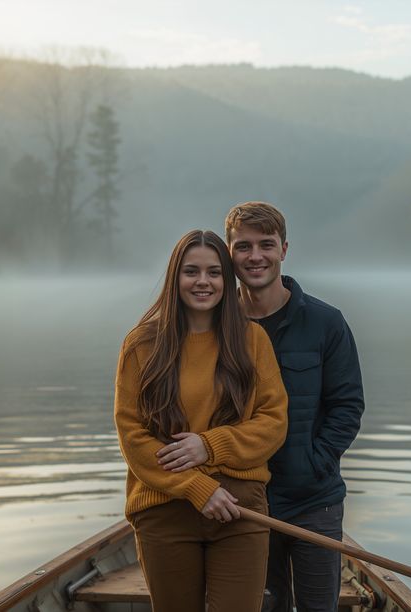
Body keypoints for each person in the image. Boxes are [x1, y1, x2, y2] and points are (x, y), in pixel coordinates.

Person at [113, 229, 288, 611]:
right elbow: (132, 434)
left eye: (214, 272)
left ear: (227, 279)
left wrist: (209, 446)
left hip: (239, 508)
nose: (203, 282)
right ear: (176, 277)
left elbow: (273, 421)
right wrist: (196, 487)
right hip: (164, 508)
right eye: (192, 271)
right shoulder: (142, 344)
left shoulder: (252, 339)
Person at [224, 202, 365, 612]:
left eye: (265, 245)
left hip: (314, 501)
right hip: (246, 503)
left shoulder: (326, 322)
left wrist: (313, 463)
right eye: (243, 246)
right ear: (229, 253)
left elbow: (347, 406)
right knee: (261, 608)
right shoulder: (216, 326)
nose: (255, 257)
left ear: (284, 249)